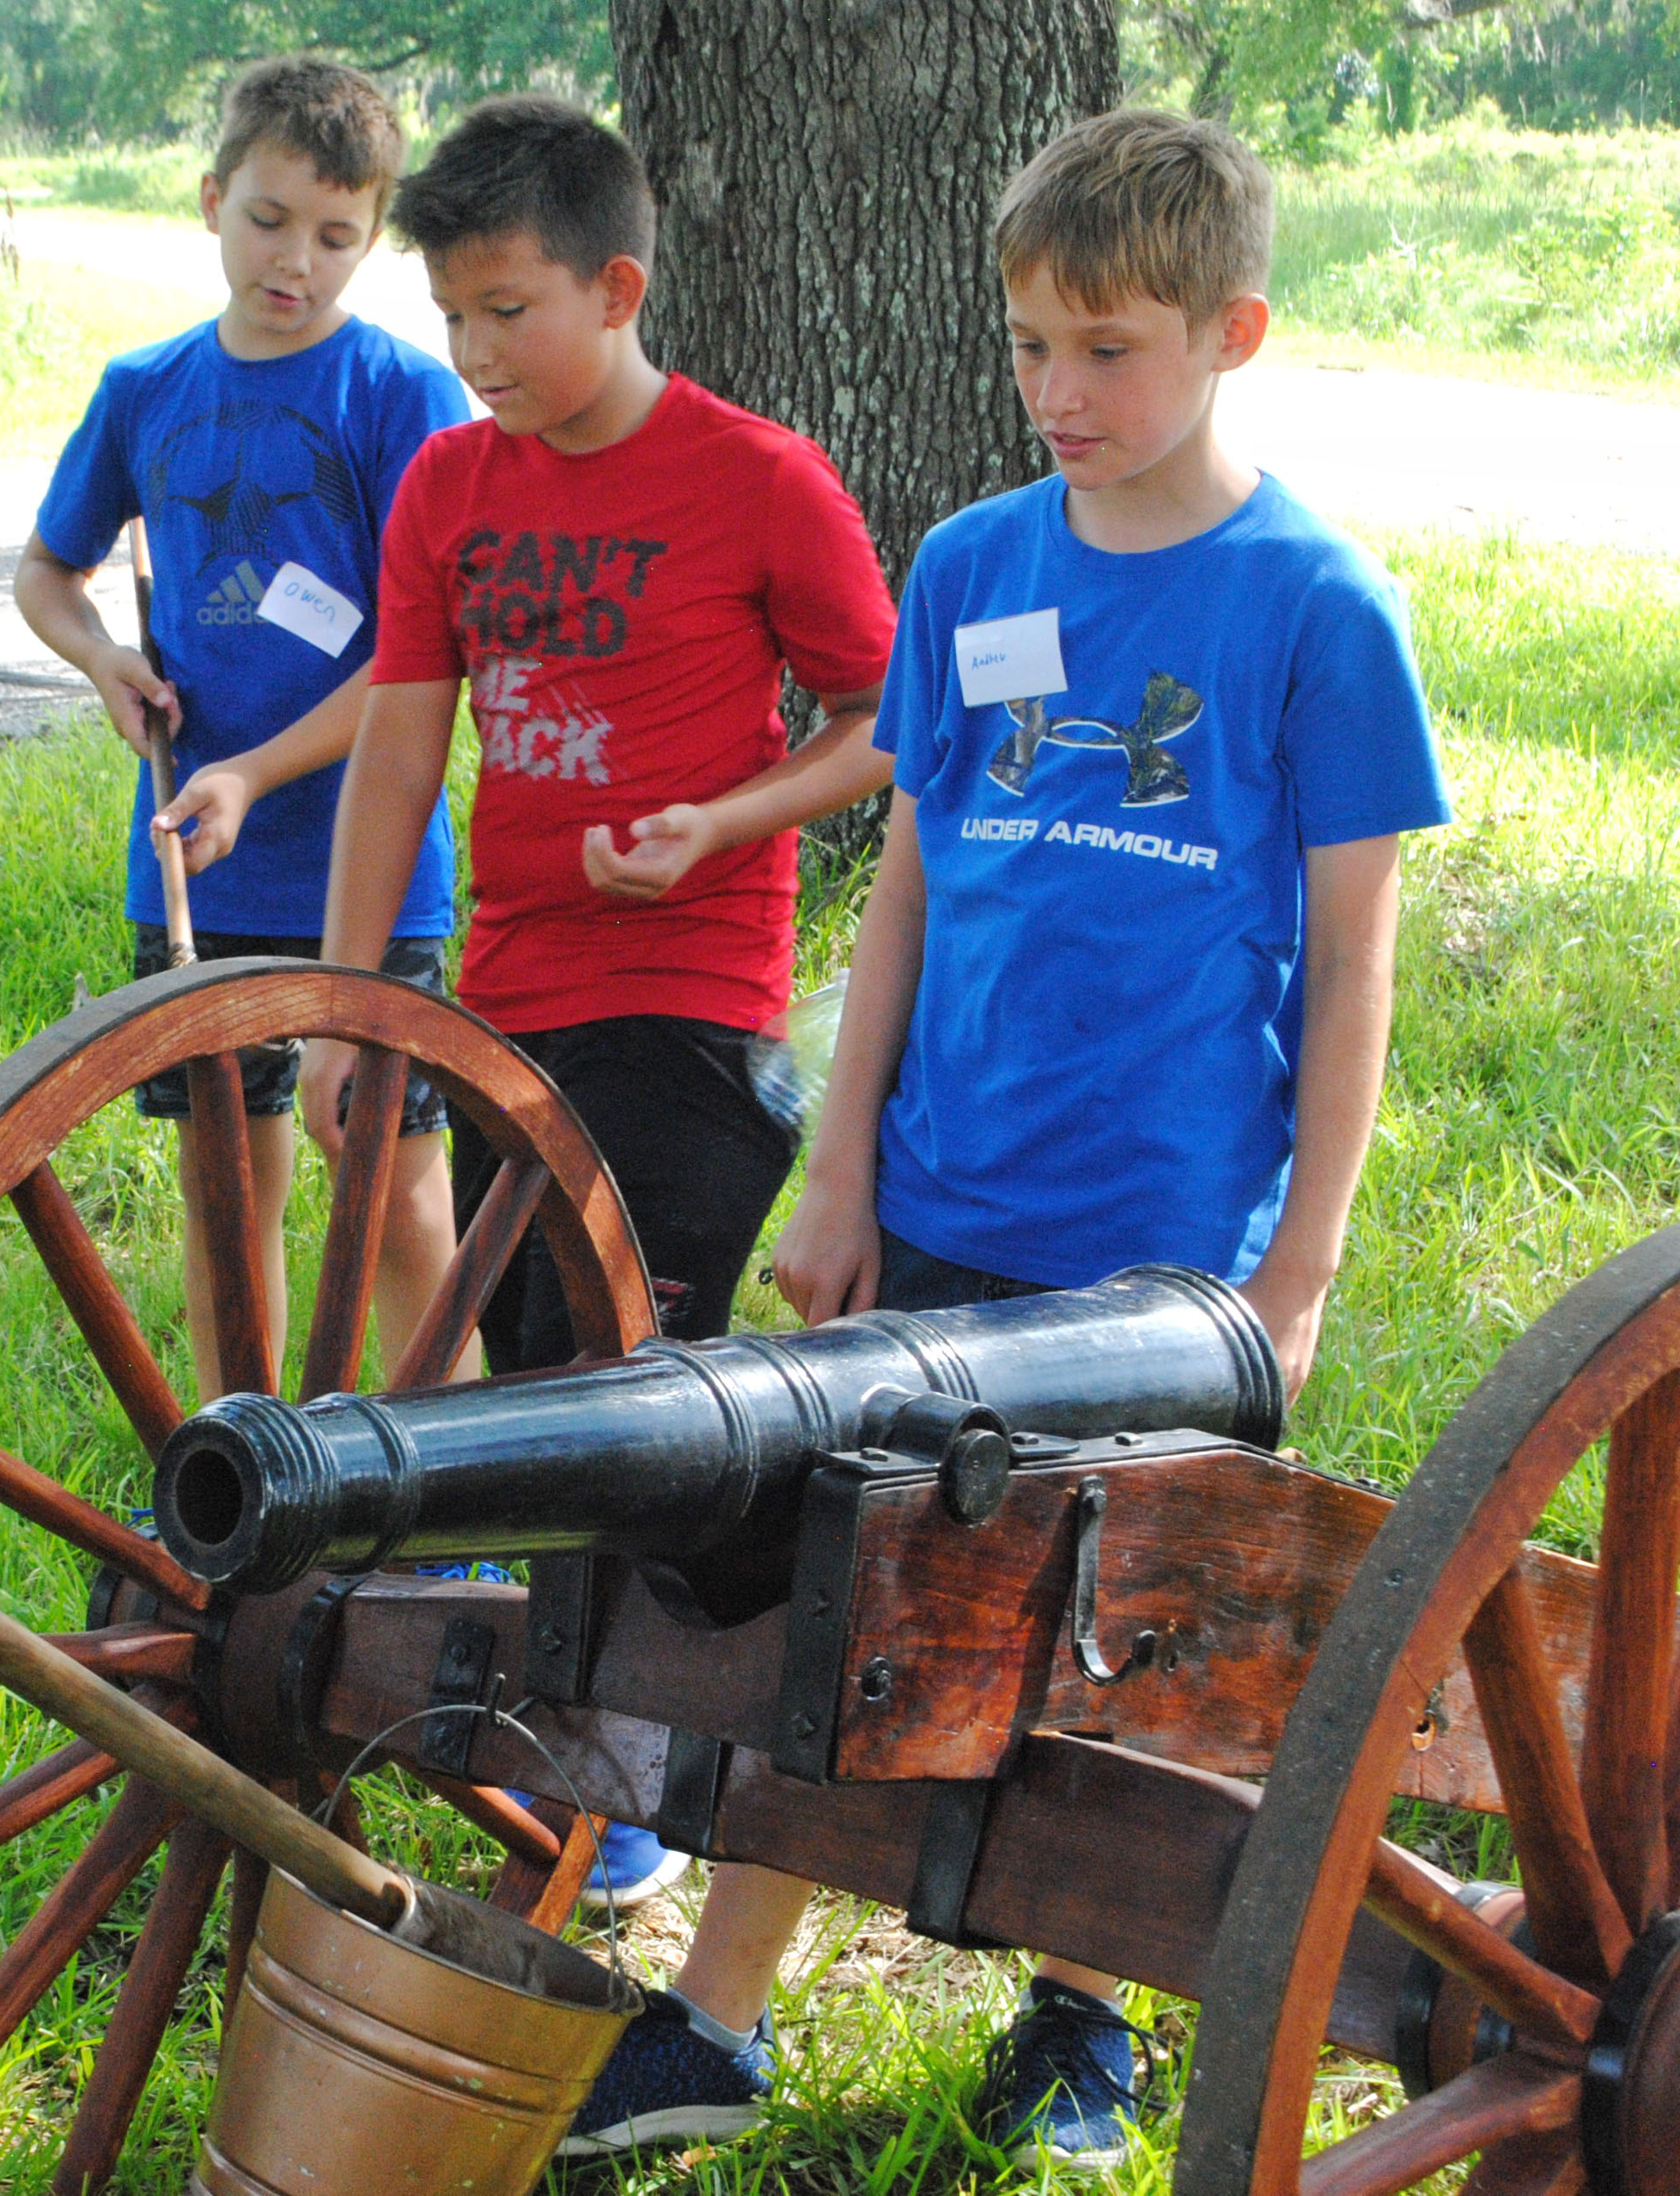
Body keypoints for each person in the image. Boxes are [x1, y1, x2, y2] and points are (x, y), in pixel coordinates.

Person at [595, 110, 1456, 2171]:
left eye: (1110, 347)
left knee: (1135, 1634)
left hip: (1160, 1231)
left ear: (1231, 329)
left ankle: (1089, 2025)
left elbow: (1349, 970)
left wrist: (1297, 1274)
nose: (1061, 394)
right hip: (947, 1185)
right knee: (849, 1606)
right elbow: (905, 873)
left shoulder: (1312, 608)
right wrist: (845, 1158)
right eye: (1028, 349)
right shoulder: (976, 561)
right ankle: (720, 2021)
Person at [293, 97, 898, 1925]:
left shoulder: (755, 479)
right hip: (506, 1004)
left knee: (636, 1392)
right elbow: (400, 743)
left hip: (690, 1006)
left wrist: (723, 817)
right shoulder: (446, 490)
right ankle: (607, 1747)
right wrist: (344, 1010)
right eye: (453, 318)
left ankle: (660, 1770)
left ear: (614, 284)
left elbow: (890, 724)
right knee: (542, 1371)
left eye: (507, 311)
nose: (473, 356)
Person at [15, 54, 476, 1409]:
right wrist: (104, 661)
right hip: (195, 871)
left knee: (392, 1192)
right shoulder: (145, 385)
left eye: (337, 235)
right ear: (213, 200)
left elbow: (418, 643)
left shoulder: (399, 395)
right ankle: (251, 1473)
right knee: (230, 1202)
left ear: (375, 236)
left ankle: (438, 1487)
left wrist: (256, 769)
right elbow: (48, 571)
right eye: (269, 220)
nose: (298, 261)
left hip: (368, 864)